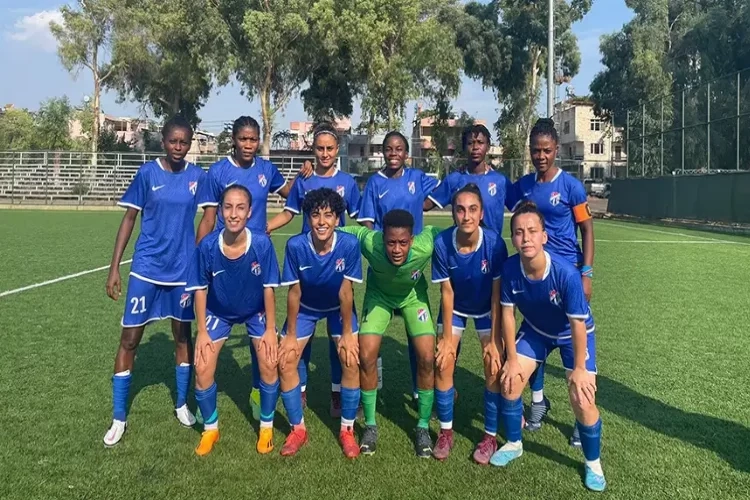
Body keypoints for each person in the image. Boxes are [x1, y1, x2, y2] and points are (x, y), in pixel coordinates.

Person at [195, 115, 311, 421]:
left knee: (260, 335)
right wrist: (198, 258)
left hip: (258, 257)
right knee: (219, 321)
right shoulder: (217, 172)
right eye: (243, 139)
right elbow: (208, 219)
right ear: (234, 140)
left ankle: (259, 390)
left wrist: (304, 175)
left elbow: (289, 193)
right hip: (226, 258)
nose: (248, 144)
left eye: (253, 139)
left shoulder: (266, 169)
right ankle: (203, 402)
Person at [103, 116, 205, 447]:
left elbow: (211, 215)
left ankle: (181, 404)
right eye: (173, 141)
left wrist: (198, 256)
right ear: (163, 141)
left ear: (189, 144)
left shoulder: (197, 177)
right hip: (146, 269)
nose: (178, 147)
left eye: (184, 142)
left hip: (182, 272)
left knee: (182, 336)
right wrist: (114, 267)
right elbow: (129, 218)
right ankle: (119, 417)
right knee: (130, 339)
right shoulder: (147, 173)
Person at [492, 201, 605, 492]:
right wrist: (512, 359)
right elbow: (507, 314)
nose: (526, 238)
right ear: (513, 238)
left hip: (572, 334)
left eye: (532, 231)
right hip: (536, 330)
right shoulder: (510, 269)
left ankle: (593, 463)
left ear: (544, 236)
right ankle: (514, 443)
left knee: (582, 398)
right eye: (519, 232)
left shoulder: (566, 274)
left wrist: (579, 369)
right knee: (510, 381)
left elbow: (578, 324)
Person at [509, 118, 595, 446]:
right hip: (534, 274)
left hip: (566, 276)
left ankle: (581, 417)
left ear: (556, 149)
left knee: (573, 340)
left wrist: (586, 273)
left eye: (546, 150)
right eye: (535, 150)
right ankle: (538, 402)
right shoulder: (524, 186)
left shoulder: (571, 186)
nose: (540, 156)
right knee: (537, 332)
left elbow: (587, 230)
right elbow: (497, 200)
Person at [267, 122, 362, 418]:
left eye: (330, 148)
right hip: (308, 265)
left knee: (340, 344)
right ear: (313, 150)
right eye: (319, 148)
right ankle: (301, 391)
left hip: (336, 268)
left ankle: (338, 395)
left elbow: (362, 218)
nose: (325, 153)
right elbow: (288, 212)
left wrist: (382, 239)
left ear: (337, 150)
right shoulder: (304, 178)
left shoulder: (347, 182)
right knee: (298, 343)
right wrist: (265, 228)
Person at [187, 185, 281, 456]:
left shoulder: (262, 244)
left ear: (250, 212)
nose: (233, 214)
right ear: (220, 211)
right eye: (228, 207)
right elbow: (200, 290)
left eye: (240, 208)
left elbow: (269, 288)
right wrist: (202, 331)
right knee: (202, 367)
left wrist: (270, 329)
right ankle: (211, 429)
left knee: (269, 362)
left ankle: (266, 427)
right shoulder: (208, 246)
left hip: (255, 310)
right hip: (218, 311)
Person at [338, 210, 441, 458]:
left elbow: (450, 235)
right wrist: (320, 230)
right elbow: (342, 232)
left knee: (427, 358)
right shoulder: (370, 242)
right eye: (391, 242)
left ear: (412, 240)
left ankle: (422, 427)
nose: (396, 249)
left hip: (413, 298)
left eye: (403, 243)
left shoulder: (425, 245)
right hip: (379, 297)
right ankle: (370, 426)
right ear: (382, 238)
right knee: (366, 355)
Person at [276, 188, 363, 458]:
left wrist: (347, 333)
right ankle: (298, 429)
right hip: (306, 308)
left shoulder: (349, 244)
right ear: (308, 218)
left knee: (350, 358)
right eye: (315, 215)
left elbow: (346, 292)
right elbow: (294, 293)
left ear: (337, 219)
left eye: (328, 215)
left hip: (338, 308)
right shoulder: (296, 246)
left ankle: (347, 430)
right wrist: (291, 335)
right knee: (285, 360)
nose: (322, 221)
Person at [356, 130, 439, 405]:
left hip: (410, 265)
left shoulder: (417, 177)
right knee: (372, 337)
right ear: (383, 152)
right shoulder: (375, 182)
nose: (394, 153)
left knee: (417, 336)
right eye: (389, 149)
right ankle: (374, 383)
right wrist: (377, 251)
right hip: (384, 266)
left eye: (399, 149)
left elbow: (440, 190)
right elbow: (367, 222)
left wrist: (422, 205)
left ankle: (418, 387)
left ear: (406, 153)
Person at [430, 183, 508, 462]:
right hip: (457, 308)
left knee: (493, 364)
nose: (466, 216)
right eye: (460, 210)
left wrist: (495, 340)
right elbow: (447, 292)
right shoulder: (442, 243)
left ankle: (489, 436)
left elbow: (497, 294)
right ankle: (445, 431)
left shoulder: (495, 244)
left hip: (487, 308)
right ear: (453, 213)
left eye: (472, 209)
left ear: (481, 213)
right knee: (443, 361)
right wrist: (446, 340)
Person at [425, 124, 514, 233]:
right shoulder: (454, 179)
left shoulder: (501, 181)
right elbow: (425, 205)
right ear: (464, 147)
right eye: (470, 143)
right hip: (461, 243)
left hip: (492, 244)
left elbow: (521, 208)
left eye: (480, 142)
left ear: (488, 146)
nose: (475, 147)